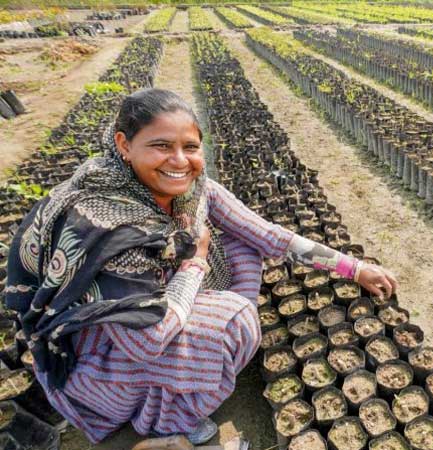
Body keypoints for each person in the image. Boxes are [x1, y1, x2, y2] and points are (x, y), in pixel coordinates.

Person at [5, 89, 398, 445]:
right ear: (124, 145)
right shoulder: (106, 221)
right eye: (160, 146)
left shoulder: (192, 187)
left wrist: (354, 268)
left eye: (189, 146)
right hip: (105, 360)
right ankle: (166, 419)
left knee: (243, 244)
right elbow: (149, 340)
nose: (179, 161)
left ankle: (203, 360)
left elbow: (268, 234)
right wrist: (194, 264)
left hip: (156, 306)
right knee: (234, 318)